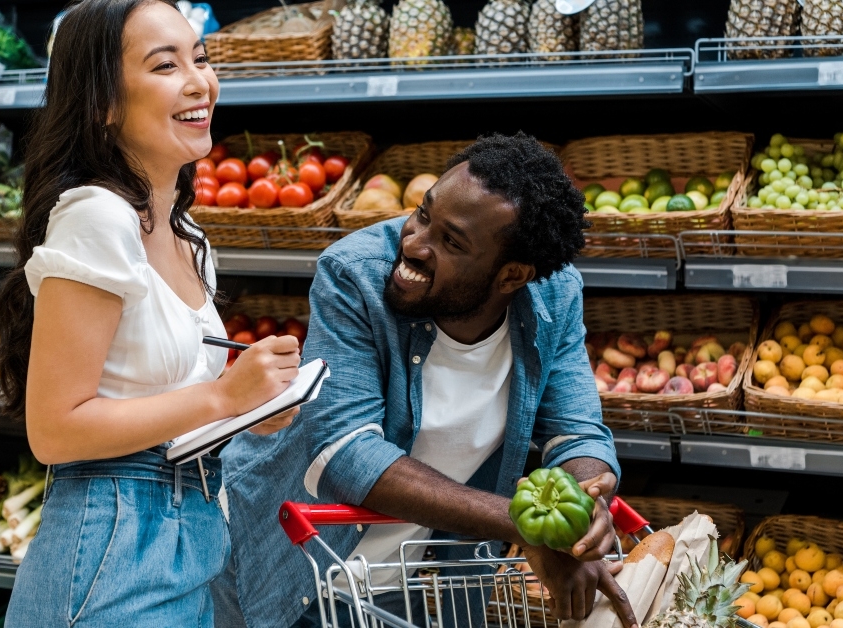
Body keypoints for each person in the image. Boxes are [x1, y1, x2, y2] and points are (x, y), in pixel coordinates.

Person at [214, 133, 636, 628]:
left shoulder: (553, 296)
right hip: (280, 555)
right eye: (422, 213)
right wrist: (527, 526)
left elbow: (577, 432)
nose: (413, 244)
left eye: (451, 241)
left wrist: (584, 513)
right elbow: (346, 453)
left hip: (398, 569)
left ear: (511, 276)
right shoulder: (355, 274)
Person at [0, 0, 300, 624]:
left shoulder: (188, 239)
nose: (197, 80)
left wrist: (249, 410)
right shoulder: (97, 217)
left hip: (190, 531)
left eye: (200, 59)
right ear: (103, 103)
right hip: (113, 541)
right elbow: (54, 429)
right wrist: (222, 400)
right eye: (164, 64)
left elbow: (165, 397)